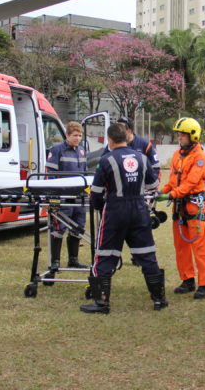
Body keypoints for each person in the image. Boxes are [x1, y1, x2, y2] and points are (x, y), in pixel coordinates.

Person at [80, 123, 167, 314]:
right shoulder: (142, 158)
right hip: (139, 210)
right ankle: (159, 299)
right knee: (147, 255)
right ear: (127, 137)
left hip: (115, 211)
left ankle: (102, 303)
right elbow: (153, 185)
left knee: (104, 255)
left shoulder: (106, 159)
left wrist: (101, 208)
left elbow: (95, 194)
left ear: (110, 140)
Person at [155, 117, 205, 299]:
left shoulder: (200, 159)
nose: (179, 137)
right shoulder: (177, 155)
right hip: (179, 207)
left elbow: (190, 183)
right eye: (178, 134)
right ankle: (187, 279)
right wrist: (161, 192)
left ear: (193, 136)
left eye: (182, 134)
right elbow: (173, 181)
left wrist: (172, 194)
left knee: (200, 246)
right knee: (181, 246)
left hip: (193, 206)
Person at [46, 120, 88, 270]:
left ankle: (73, 260)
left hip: (78, 196)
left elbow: (84, 172)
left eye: (80, 135)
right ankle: (55, 261)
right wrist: (54, 196)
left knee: (78, 226)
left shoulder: (82, 151)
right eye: (75, 135)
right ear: (67, 135)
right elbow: (50, 175)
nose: (78, 138)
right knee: (58, 228)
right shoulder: (57, 150)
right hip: (63, 196)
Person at [102, 117, 161, 181]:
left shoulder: (144, 144)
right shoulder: (113, 144)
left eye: (121, 128)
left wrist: (150, 182)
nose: (118, 130)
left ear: (130, 131)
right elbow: (103, 163)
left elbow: (156, 166)